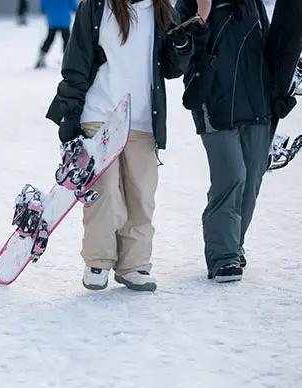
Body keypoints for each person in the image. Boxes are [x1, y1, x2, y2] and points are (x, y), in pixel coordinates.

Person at [46, 0, 193, 291]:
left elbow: (172, 68)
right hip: (100, 114)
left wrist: (182, 44)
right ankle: (98, 261)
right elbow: (76, 62)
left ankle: (134, 265)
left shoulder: (163, 9)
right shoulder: (98, 7)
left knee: (141, 194)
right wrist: (70, 116)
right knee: (104, 191)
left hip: (143, 117)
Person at [175, 0, 272, 282]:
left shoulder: (250, 3)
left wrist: (278, 90)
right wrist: (201, 19)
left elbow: (266, 43)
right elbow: (177, 59)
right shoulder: (189, 4)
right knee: (231, 176)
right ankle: (223, 257)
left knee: (253, 175)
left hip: (257, 100)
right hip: (214, 103)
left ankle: (234, 244)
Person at [34, 0, 77, 69]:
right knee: (67, 40)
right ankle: (68, 60)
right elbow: (74, 7)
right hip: (64, 19)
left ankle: (41, 57)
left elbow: (43, 8)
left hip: (52, 19)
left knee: (50, 38)